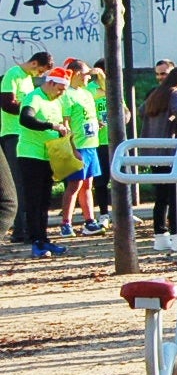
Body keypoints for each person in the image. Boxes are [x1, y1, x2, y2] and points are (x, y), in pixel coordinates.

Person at [16, 66, 73, 258]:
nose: (61, 93)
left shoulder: (55, 101)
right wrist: (51, 126)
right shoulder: (34, 97)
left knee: (44, 200)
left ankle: (44, 238)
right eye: (60, 89)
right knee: (33, 199)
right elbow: (26, 119)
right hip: (31, 155)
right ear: (50, 83)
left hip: (48, 155)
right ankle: (35, 241)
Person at [143, 67, 177, 252]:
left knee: (161, 197)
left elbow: (142, 111)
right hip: (172, 151)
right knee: (176, 195)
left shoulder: (156, 94)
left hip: (154, 152)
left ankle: (160, 236)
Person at [1, 51, 51, 242]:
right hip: (13, 133)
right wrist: (29, 110)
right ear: (34, 63)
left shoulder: (29, 80)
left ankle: (28, 229)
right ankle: (20, 230)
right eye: (40, 71)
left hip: (25, 136)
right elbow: (7, 104)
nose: (40, 75)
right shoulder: (13, 74)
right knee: (18, 183)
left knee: (26, 183)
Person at [58, 59, 103, 236]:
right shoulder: (67, 95)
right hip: (78, 146)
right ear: (76, 74)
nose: (88, 78)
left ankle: (89, 221)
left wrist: (96, 124)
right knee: (74, 185)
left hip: (91, 145)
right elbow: (65, 123)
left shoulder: (86, 93)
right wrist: (72, 148)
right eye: (86, 74)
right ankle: (66, 223)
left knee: (88, 184)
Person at [86, 66, 117, 224]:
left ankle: (122, 211)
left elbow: (123, 107)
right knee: (101, 179)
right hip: (99, 141)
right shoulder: (90, 89)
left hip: (116, 140)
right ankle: (104, 213)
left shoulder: (115, 87)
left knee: (120, 177)